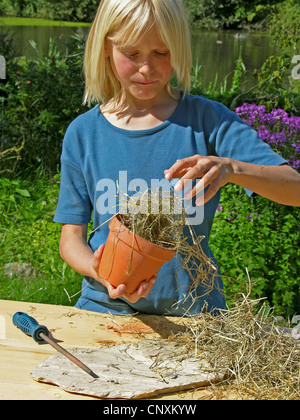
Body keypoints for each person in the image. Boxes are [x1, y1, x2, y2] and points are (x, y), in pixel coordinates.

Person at [54, 0, 300, 316]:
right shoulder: (83, 134)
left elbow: (293, 188)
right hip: (106, 308)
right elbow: (70, 238)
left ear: (180, 49)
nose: (146, 68)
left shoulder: (210, 121)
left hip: (194, 314)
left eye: (162, 52)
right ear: (105, 48)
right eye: (131, 54)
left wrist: (232, 167)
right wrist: (97, 269)